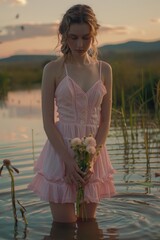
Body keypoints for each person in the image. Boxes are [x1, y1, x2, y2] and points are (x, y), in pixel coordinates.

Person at [28, 4, 116, 223]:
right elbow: (48, 122)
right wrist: (67, 160)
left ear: (94, 35)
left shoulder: (104, 69)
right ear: (63, 35)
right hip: (61, 152)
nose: (79, 44)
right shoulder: (53, 70)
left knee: (88, 225)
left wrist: (93, 159)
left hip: (93, 151)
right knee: (64, 226)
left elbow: (105, 121)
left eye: (86, 37)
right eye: (73, 37)